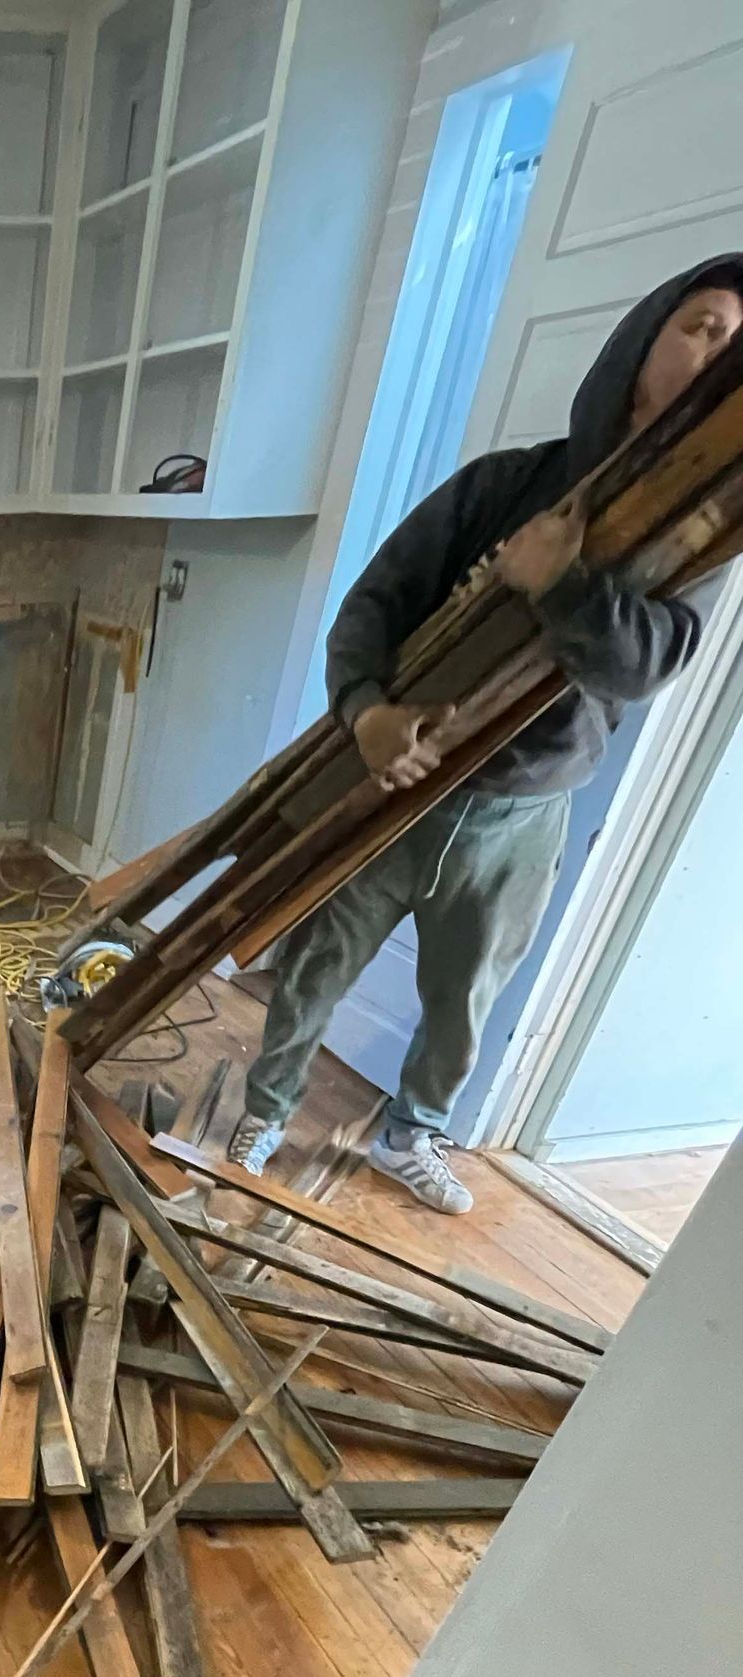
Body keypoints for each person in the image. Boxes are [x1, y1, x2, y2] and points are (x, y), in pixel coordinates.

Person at [228, 258, 743, 1213]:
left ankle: (411, 1132)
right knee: (316, 963)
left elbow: (644, 664)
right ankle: (265, 1111)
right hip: (395, 783)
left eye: (735, 346)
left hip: (526, 806)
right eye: (700, 328)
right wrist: (368, 714)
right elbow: (370, 610)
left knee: (465, 998)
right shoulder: (507, 484)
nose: (716, 355)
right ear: (646, 337)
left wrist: (561, 584)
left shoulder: (700, 542)